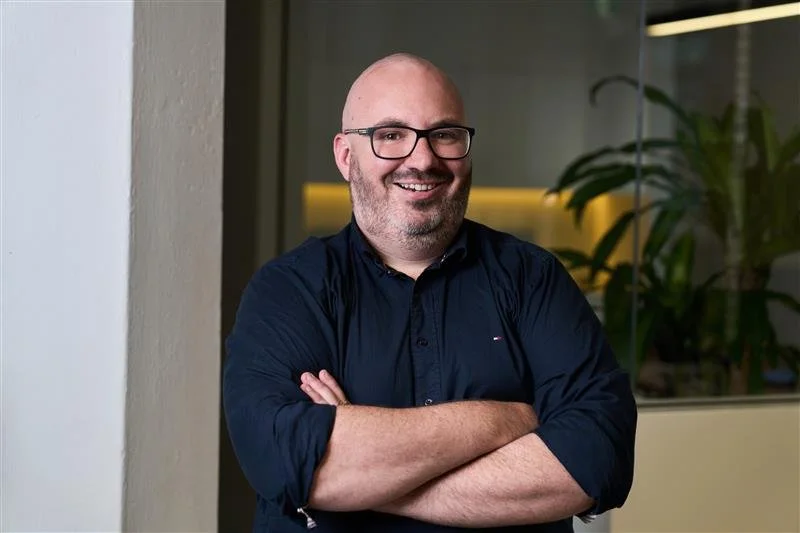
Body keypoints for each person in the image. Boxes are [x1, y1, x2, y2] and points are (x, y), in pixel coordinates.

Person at [223, 52, 637, 533]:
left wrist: (364, 475)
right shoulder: (288, 290)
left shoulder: (533, 279)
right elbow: (289, 463)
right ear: (345, 156)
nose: (422, 160)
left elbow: (596, 460)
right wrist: (504, 421)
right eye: (390, 135)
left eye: (444, 134)